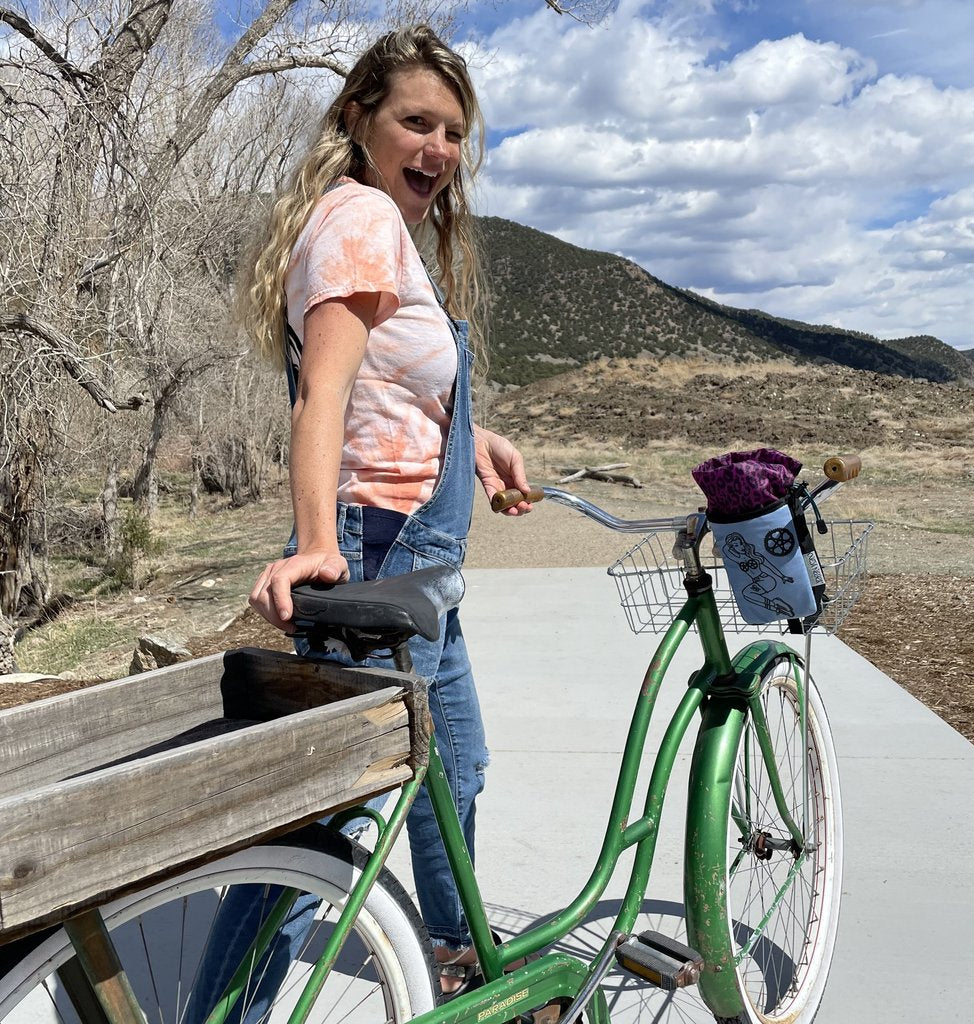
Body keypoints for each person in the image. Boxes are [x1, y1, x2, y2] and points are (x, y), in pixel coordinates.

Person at [229, 22, 532, 1007]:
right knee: (323, 823)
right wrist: (318, 541)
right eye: (416, 121)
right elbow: (322, 394)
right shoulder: (359, 220)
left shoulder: (376, 227)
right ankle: (221, 1007)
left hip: (415, 565)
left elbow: (384, 394)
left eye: (452, 131)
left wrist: (472, 442)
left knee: (459, 771)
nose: (438, 149)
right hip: (376, 555)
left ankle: (455, 958)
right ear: (359, 117)